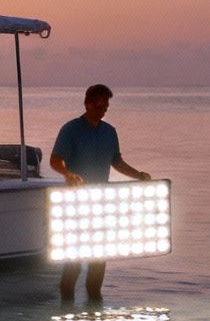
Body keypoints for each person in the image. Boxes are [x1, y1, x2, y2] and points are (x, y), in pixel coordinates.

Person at [50, 84, 153, 301]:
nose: (103, 109)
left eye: (106, 105)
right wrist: (69, 174)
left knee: (99, 259)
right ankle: (66, 305)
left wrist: (138, 175)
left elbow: (116, 161)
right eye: (99, 105)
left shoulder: (110, 132)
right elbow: (55, 160)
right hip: (76, 203)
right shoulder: (71, 129)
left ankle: (94, 307)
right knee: (74, 261)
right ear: (87, 104)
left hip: (102, 203)